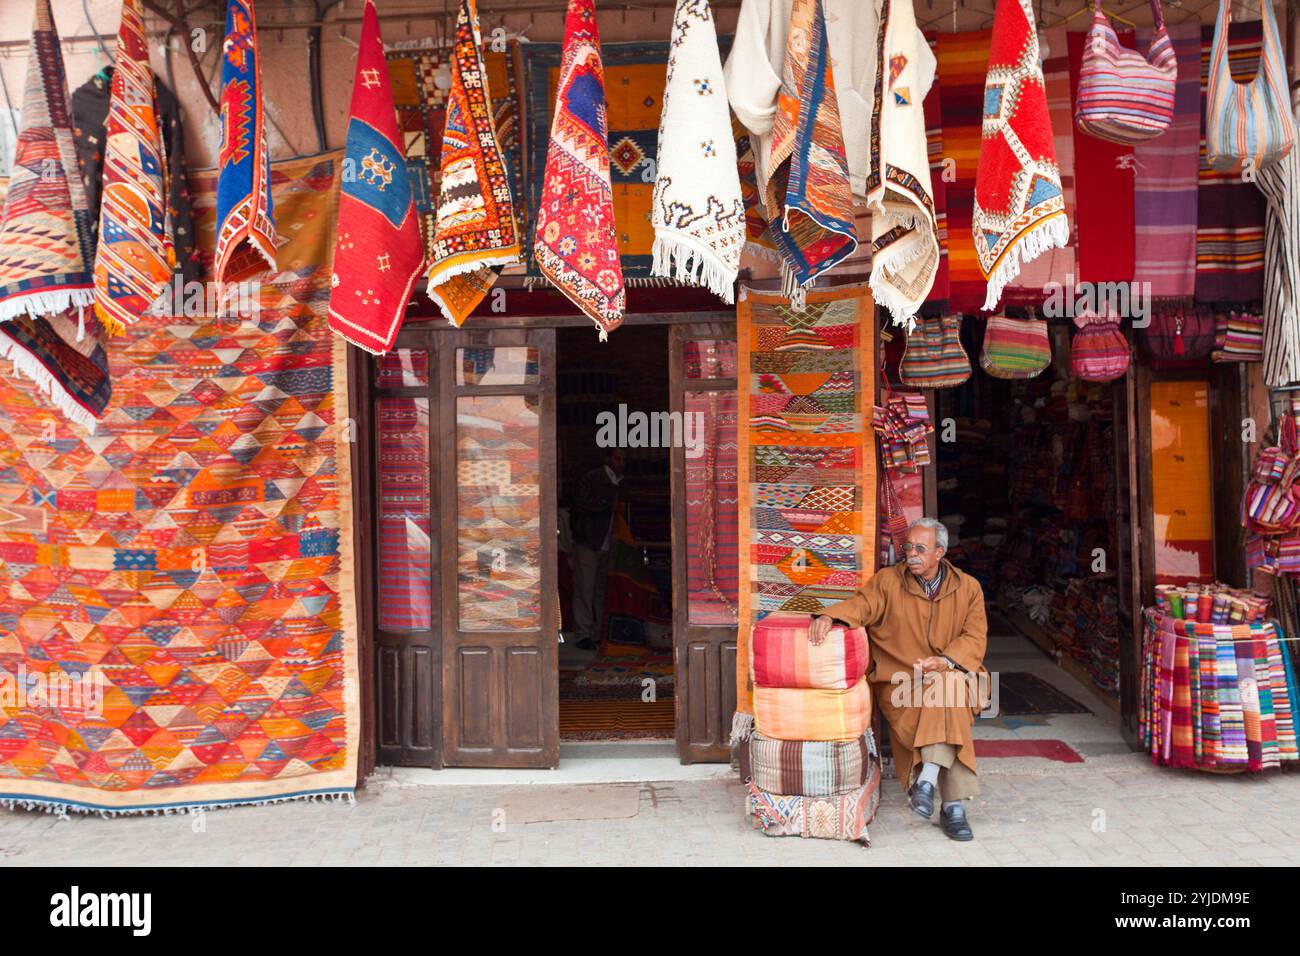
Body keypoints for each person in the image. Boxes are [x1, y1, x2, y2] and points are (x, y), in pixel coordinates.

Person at [810, 517, 988, 841]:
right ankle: (954, 808)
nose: (911, 554)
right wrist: (829, 614)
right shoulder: (889, 582)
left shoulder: (969, 589)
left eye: (921, 548)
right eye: (908, 547)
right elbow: (862, 605)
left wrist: (947, 660)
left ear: (940, 552)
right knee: (949, 701)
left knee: (948, 687)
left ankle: (926, 782)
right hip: (903, 684)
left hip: (954, 674)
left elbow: (975, 638)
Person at [569, 449, 625, 651]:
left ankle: (598, 632)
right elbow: (581, 505)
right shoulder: (592, 479)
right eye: (618, 458)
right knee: (585, 589)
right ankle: (584, 634)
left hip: (607, 542)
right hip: (589, 541)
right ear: (608, 459)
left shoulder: (620, 482)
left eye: (623, 459)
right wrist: (607, 503)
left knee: (601, 590)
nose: (621, 463)